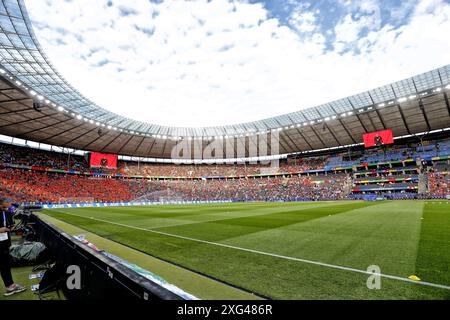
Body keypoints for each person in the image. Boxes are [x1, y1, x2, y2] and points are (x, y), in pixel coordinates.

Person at [0, 197, 26, 296]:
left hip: (5, 244)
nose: (10, 205)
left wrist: (12, 228)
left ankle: (10, 286)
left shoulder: (7, 213)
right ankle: (10, 286)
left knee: (5, 266)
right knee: (4, 266)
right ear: (3, 203)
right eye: (9, 203)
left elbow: (9, 227)